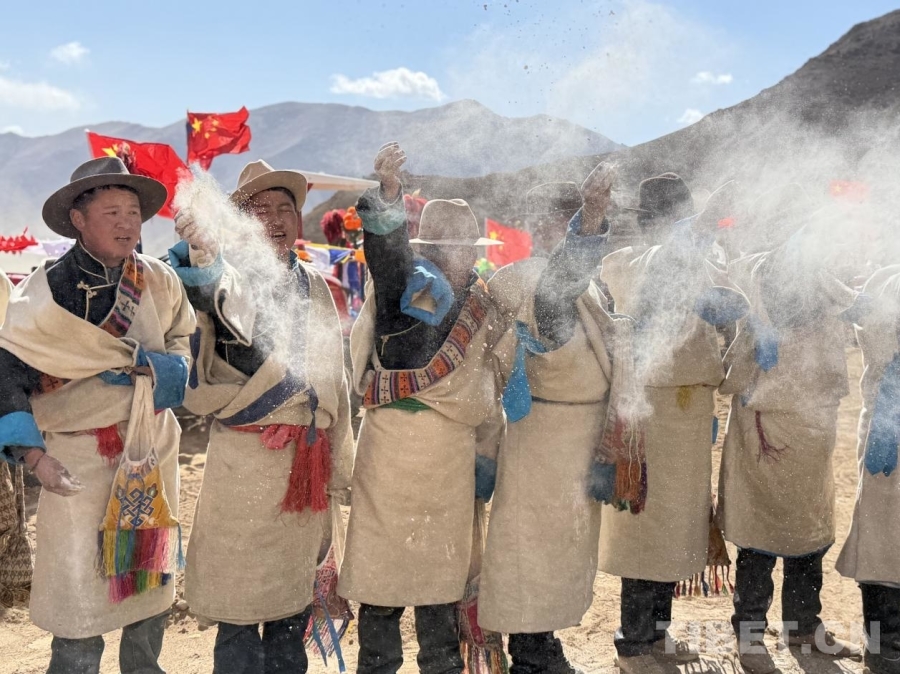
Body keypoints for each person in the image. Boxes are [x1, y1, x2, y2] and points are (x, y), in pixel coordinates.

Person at [0, 157, 196, 674]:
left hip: (150, 444)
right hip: (77, 455)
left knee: (148, 572)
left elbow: (183, 339)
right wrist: (37, 459)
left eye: (133, 212)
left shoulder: (159, 279)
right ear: (78, 219)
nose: (127, 223)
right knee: (76, 587)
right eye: (112, 212)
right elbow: (7, 371)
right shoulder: (44, 292)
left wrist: (163, 368)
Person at [170, 159, 354, 674]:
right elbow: (209, 298)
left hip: (303, 464)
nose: (274, 219)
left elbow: (334, 379)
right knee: (237, 605)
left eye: (284, 209)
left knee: (290, 606)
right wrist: (201, 252)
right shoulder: (226, 277)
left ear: (298, 219)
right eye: (261, 209)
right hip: (243, 462)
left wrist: (338, 462)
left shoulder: (316, 285)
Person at [338, 142, 505, 674]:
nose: (460, 256)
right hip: (390, 453)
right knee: (380, 575)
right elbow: (386, 253)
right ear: (427, 248)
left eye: (466, 247)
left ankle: (442, 665)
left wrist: (486, 453)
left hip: (450, 456)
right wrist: (389, 194)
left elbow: (487, 381)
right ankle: (378, 666)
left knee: (442, 573)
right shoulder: (402, 286)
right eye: (448, 246)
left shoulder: (481, 302)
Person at [598, 176, 748, 674]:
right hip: (652, 413)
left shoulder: (694, 262)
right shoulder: (635, 262)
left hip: (687, 415)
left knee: (677, 530)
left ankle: (657, 635)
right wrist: (704, 222)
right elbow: (671, 259)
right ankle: (633, 644)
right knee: (646, 530)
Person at [477, 163, 616, 674]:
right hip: (542, 438)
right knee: (532, 545)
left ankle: (543, 643)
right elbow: (558, 288)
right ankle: (532, 654)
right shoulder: (527, 280)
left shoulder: (594, 286)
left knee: (562, 547)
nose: (553, 226)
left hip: (582, 435)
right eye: (558, 218)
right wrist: (591, 221)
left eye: (567, 217)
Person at [718, 207, 864, 674]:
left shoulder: (823, 280)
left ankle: (803, 627)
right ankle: (750, 636)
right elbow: (734, 359)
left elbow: (862, 307)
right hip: (764, 427)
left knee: (809, 534)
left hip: (813, 427)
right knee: (758, 538)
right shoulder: (754, 276)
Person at [835, 264, 900, 674]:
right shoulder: (888, 283)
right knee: (881, 541)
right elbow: (878, 343)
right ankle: (883, 645)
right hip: (888, 430)